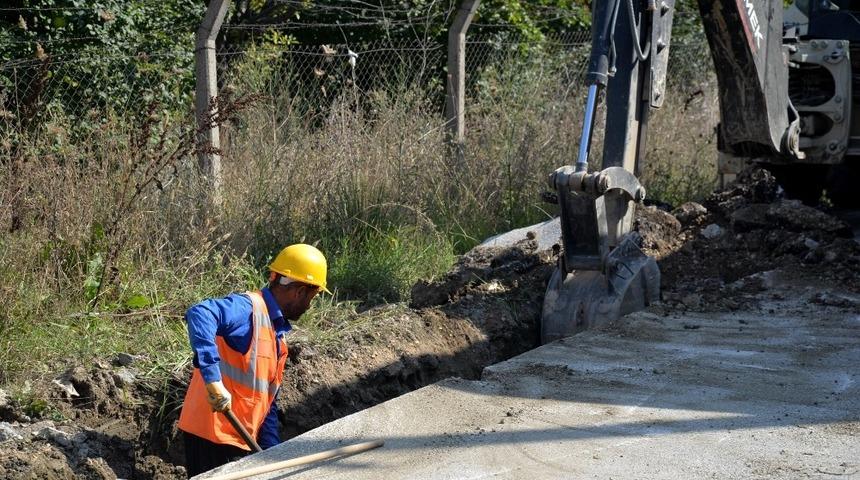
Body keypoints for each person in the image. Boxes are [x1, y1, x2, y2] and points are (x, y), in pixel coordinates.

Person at [177, 244, 330, 477]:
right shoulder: (247, 309)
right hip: (211, 436)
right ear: (300, 292)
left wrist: (271, 455)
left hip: (238, 441)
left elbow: (266, 407)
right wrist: (213, 381)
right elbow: (200, 313)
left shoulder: (277, 336)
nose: (310, 305)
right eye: (313, 296)